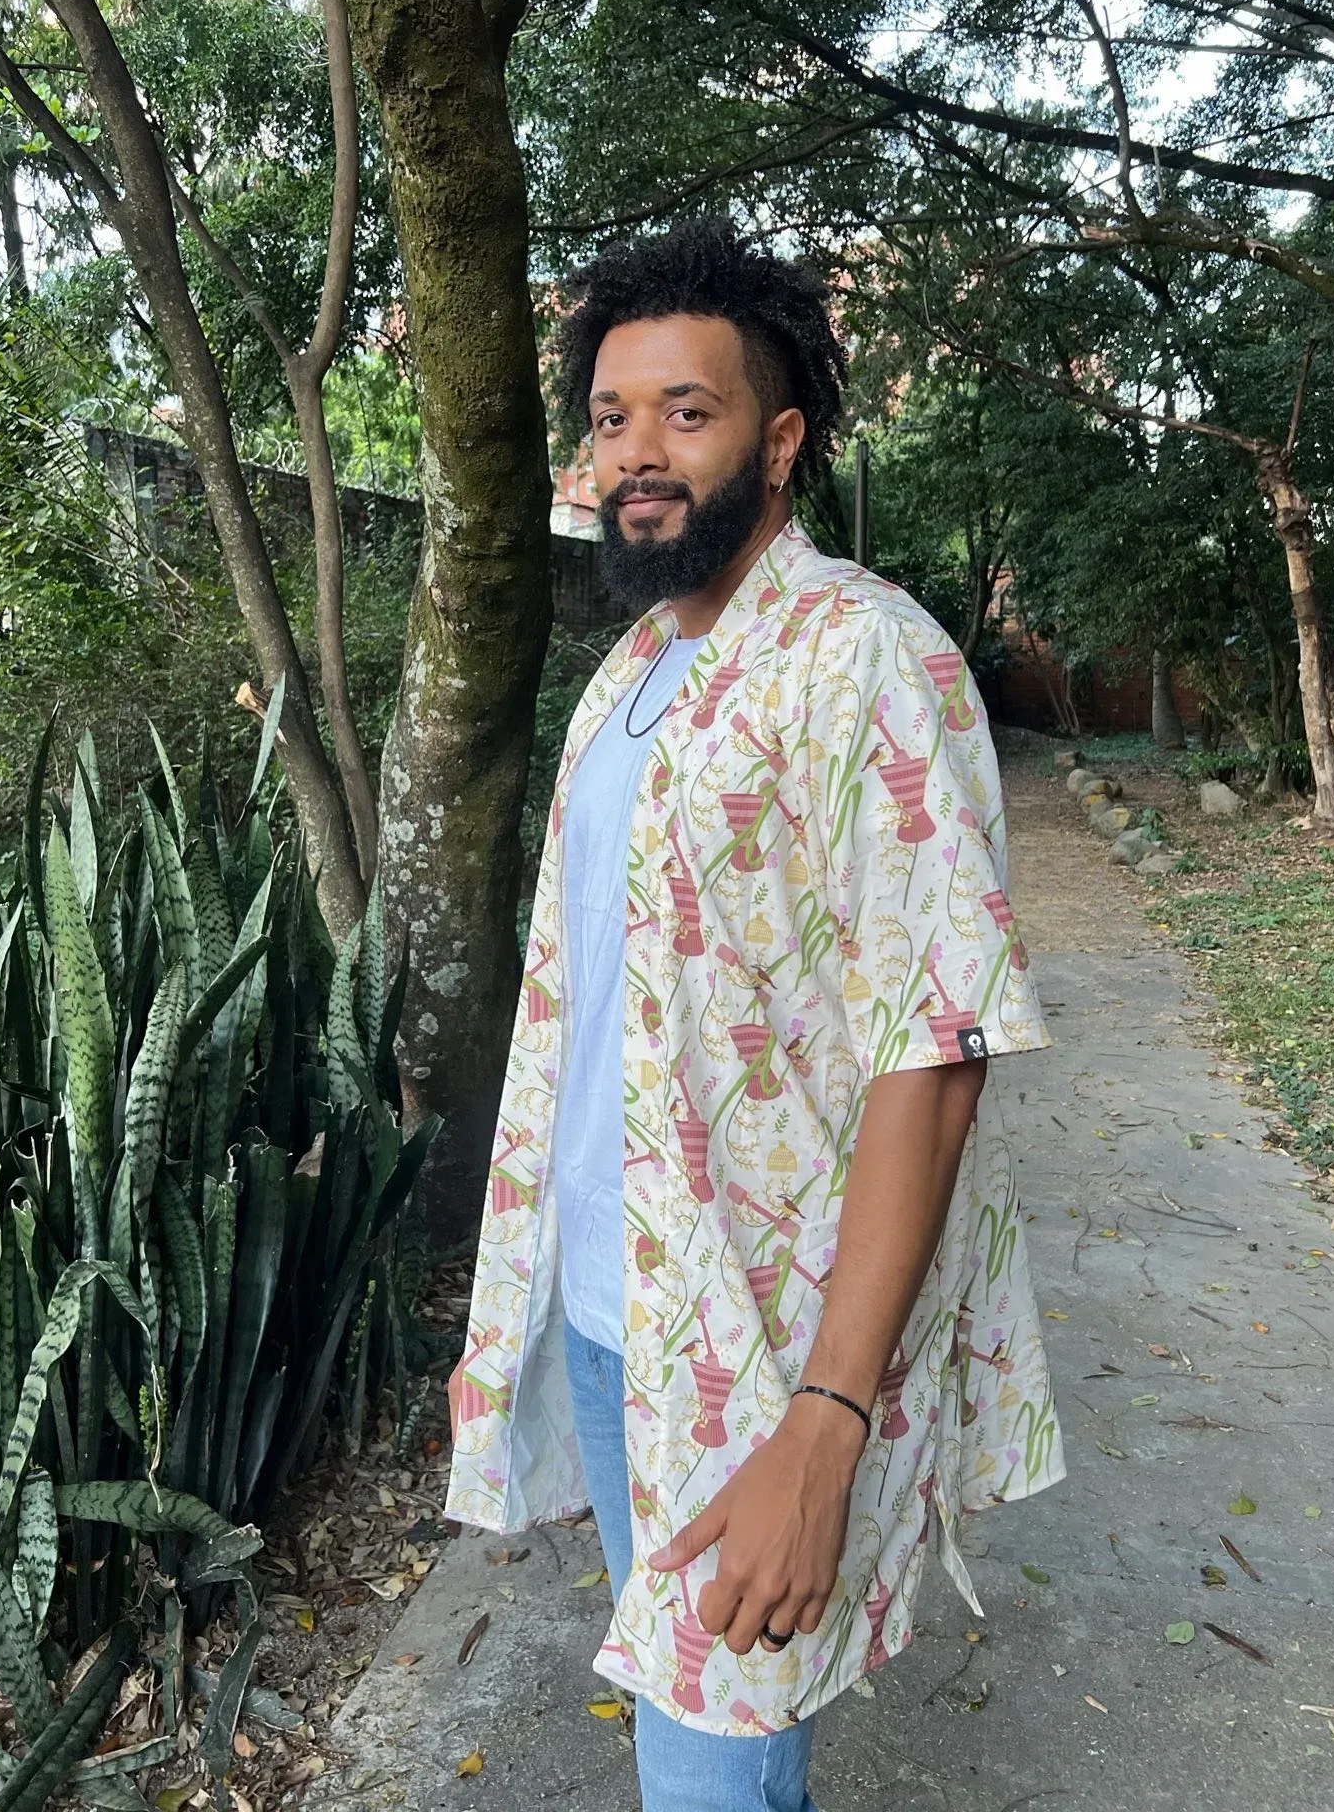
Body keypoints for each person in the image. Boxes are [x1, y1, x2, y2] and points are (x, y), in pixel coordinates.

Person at [446, 218, 1063, 1812]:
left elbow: (935, 1053)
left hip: (766, 1351)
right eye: (612, 417)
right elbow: (593, 1013)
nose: (638, 454)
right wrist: (532, 1309)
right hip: (614, 1315)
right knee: (697, 1745)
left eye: (687, 412)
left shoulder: (869, 657)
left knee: (712, 1774)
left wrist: (826, 1424)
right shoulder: (630, 675)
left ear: (779, 444)